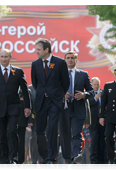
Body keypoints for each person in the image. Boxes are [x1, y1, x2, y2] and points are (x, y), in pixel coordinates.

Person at [0, 49, 31, 168]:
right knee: (0, 135)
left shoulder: (18, 71)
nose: (4, 59)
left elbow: (25, 90)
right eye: (2, 56)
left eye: (6, 56)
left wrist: (27, 106)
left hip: (14, 107)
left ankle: (13, 159)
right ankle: (3, 160)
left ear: (10, 57)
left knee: (12, 132)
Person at [31, 38, 70, 168]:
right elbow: (35, 84)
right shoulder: (35, 64)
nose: (36, 52)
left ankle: (51, 159)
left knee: (52, 128)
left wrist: (57, 95)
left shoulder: (60, 63)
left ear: (46, 50)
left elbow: (66, 83)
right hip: (41, 101)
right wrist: (44, 93)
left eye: (38, 49)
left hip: (55, 101)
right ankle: (45, 156)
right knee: (39, 131)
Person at [59, 51, 93, 168]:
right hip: (64, 109)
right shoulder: (59, 74)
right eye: (68, 58)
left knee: (77, 134)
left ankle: (76, 156)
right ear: (65, 60)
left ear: (76, 60)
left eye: (72, 58)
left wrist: (84, 94)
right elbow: (54, 90)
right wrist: (62, 95)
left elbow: (91, 91)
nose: (70, 60)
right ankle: (68, 159)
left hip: (78, 108)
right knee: (65, 135)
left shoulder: (83, 74)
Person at [88, 77, 108, 168]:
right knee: (94, 141)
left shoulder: (104, 92)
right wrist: (95, 99)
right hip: (93, 121)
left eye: (97, 84)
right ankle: (93, 161)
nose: (96, 86)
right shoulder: (89, 93)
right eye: (94, 84)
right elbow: (87, 103)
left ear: (100, 84)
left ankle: (102, 160)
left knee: (102, 140)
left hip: (102, 120)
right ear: (92, 84)